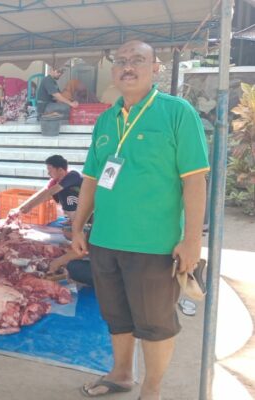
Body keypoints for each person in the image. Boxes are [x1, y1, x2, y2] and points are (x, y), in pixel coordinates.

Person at [71, 40, 209, 399]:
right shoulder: (105, 119)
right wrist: (77, 227)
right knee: (116, 315)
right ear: (113, 70)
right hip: (104, 240)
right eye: (121, 61)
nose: (128, 67)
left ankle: (152, 390)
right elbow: (90, 178)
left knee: (155, 324)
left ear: (155, 68)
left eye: (138, 60)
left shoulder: (177, 112)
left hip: (154, 244)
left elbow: (194, 180)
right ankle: (120, 375)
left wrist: (192, 239)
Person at [7, 155, 82, 223]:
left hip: (88, 206)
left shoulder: (73, 175)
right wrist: (20, 209)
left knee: (63, 193)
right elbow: (42, 193)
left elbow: (49, 193)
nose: (48, 173)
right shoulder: (56, 180)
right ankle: (72, 219)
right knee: (58, 192)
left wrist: (29, 207)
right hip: (76, 202)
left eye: (50, 170)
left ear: (60, 170)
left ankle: (77, 222)